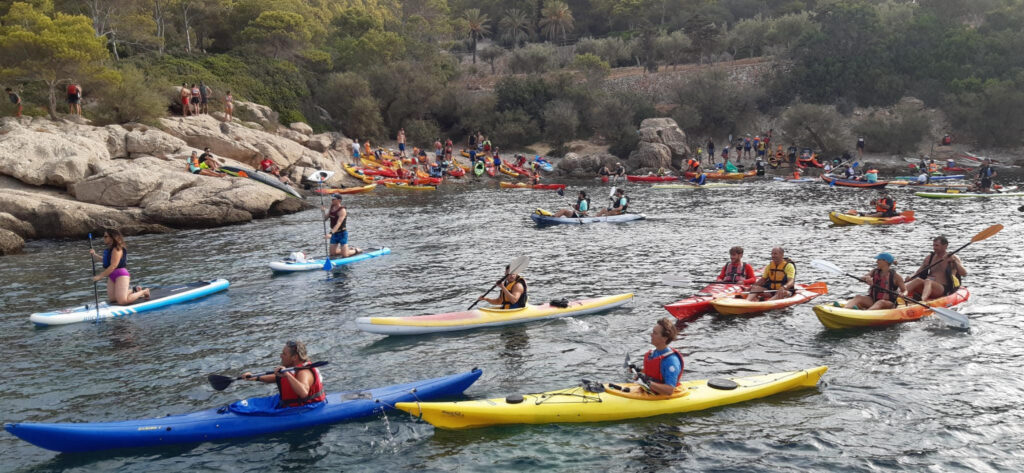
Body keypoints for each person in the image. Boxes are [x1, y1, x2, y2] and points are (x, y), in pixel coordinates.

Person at [243, 341, 326, 408]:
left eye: (284, 354)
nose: (281, 356)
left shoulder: (304, 372)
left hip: (306, 408)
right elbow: (277, 378)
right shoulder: (294, 368)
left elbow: (303, 393)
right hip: (287, 404)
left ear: (294, 357)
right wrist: (255, 377)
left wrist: (287, 374)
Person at [89, 229, 150, 304]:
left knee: (122, 301)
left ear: (112, 238)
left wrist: (99, 277)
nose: (103, 238)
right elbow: (104, 260)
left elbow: (113, 266)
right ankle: (135, 290)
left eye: (105, 236)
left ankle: (144, 291)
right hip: (112, 275)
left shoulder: (117, 249)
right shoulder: (109, 249)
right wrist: (94, 255)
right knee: (113, 299)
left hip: (121, 274)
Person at [905, 236, 967, 301]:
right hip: (927, 286)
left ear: (945, 246)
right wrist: (910, 277)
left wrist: (954, 261)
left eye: (937, 245)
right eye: (933, 245)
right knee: (917, 280)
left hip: (942, 288)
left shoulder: (952, 258)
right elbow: (918, 272)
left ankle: (922, 300)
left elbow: (964, 273)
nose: (934, 248)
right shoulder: (929, 258)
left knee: (928, 281)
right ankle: (899, 294)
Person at [634, 318, 684, 396]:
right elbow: (653, 372)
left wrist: (647, 382)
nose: (651, 335)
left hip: (663, 396)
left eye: (655, 333)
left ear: (665, 338)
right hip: (650, 392)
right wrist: (638, 371)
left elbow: (669, 390)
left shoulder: (671, 361)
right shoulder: (653, 353)